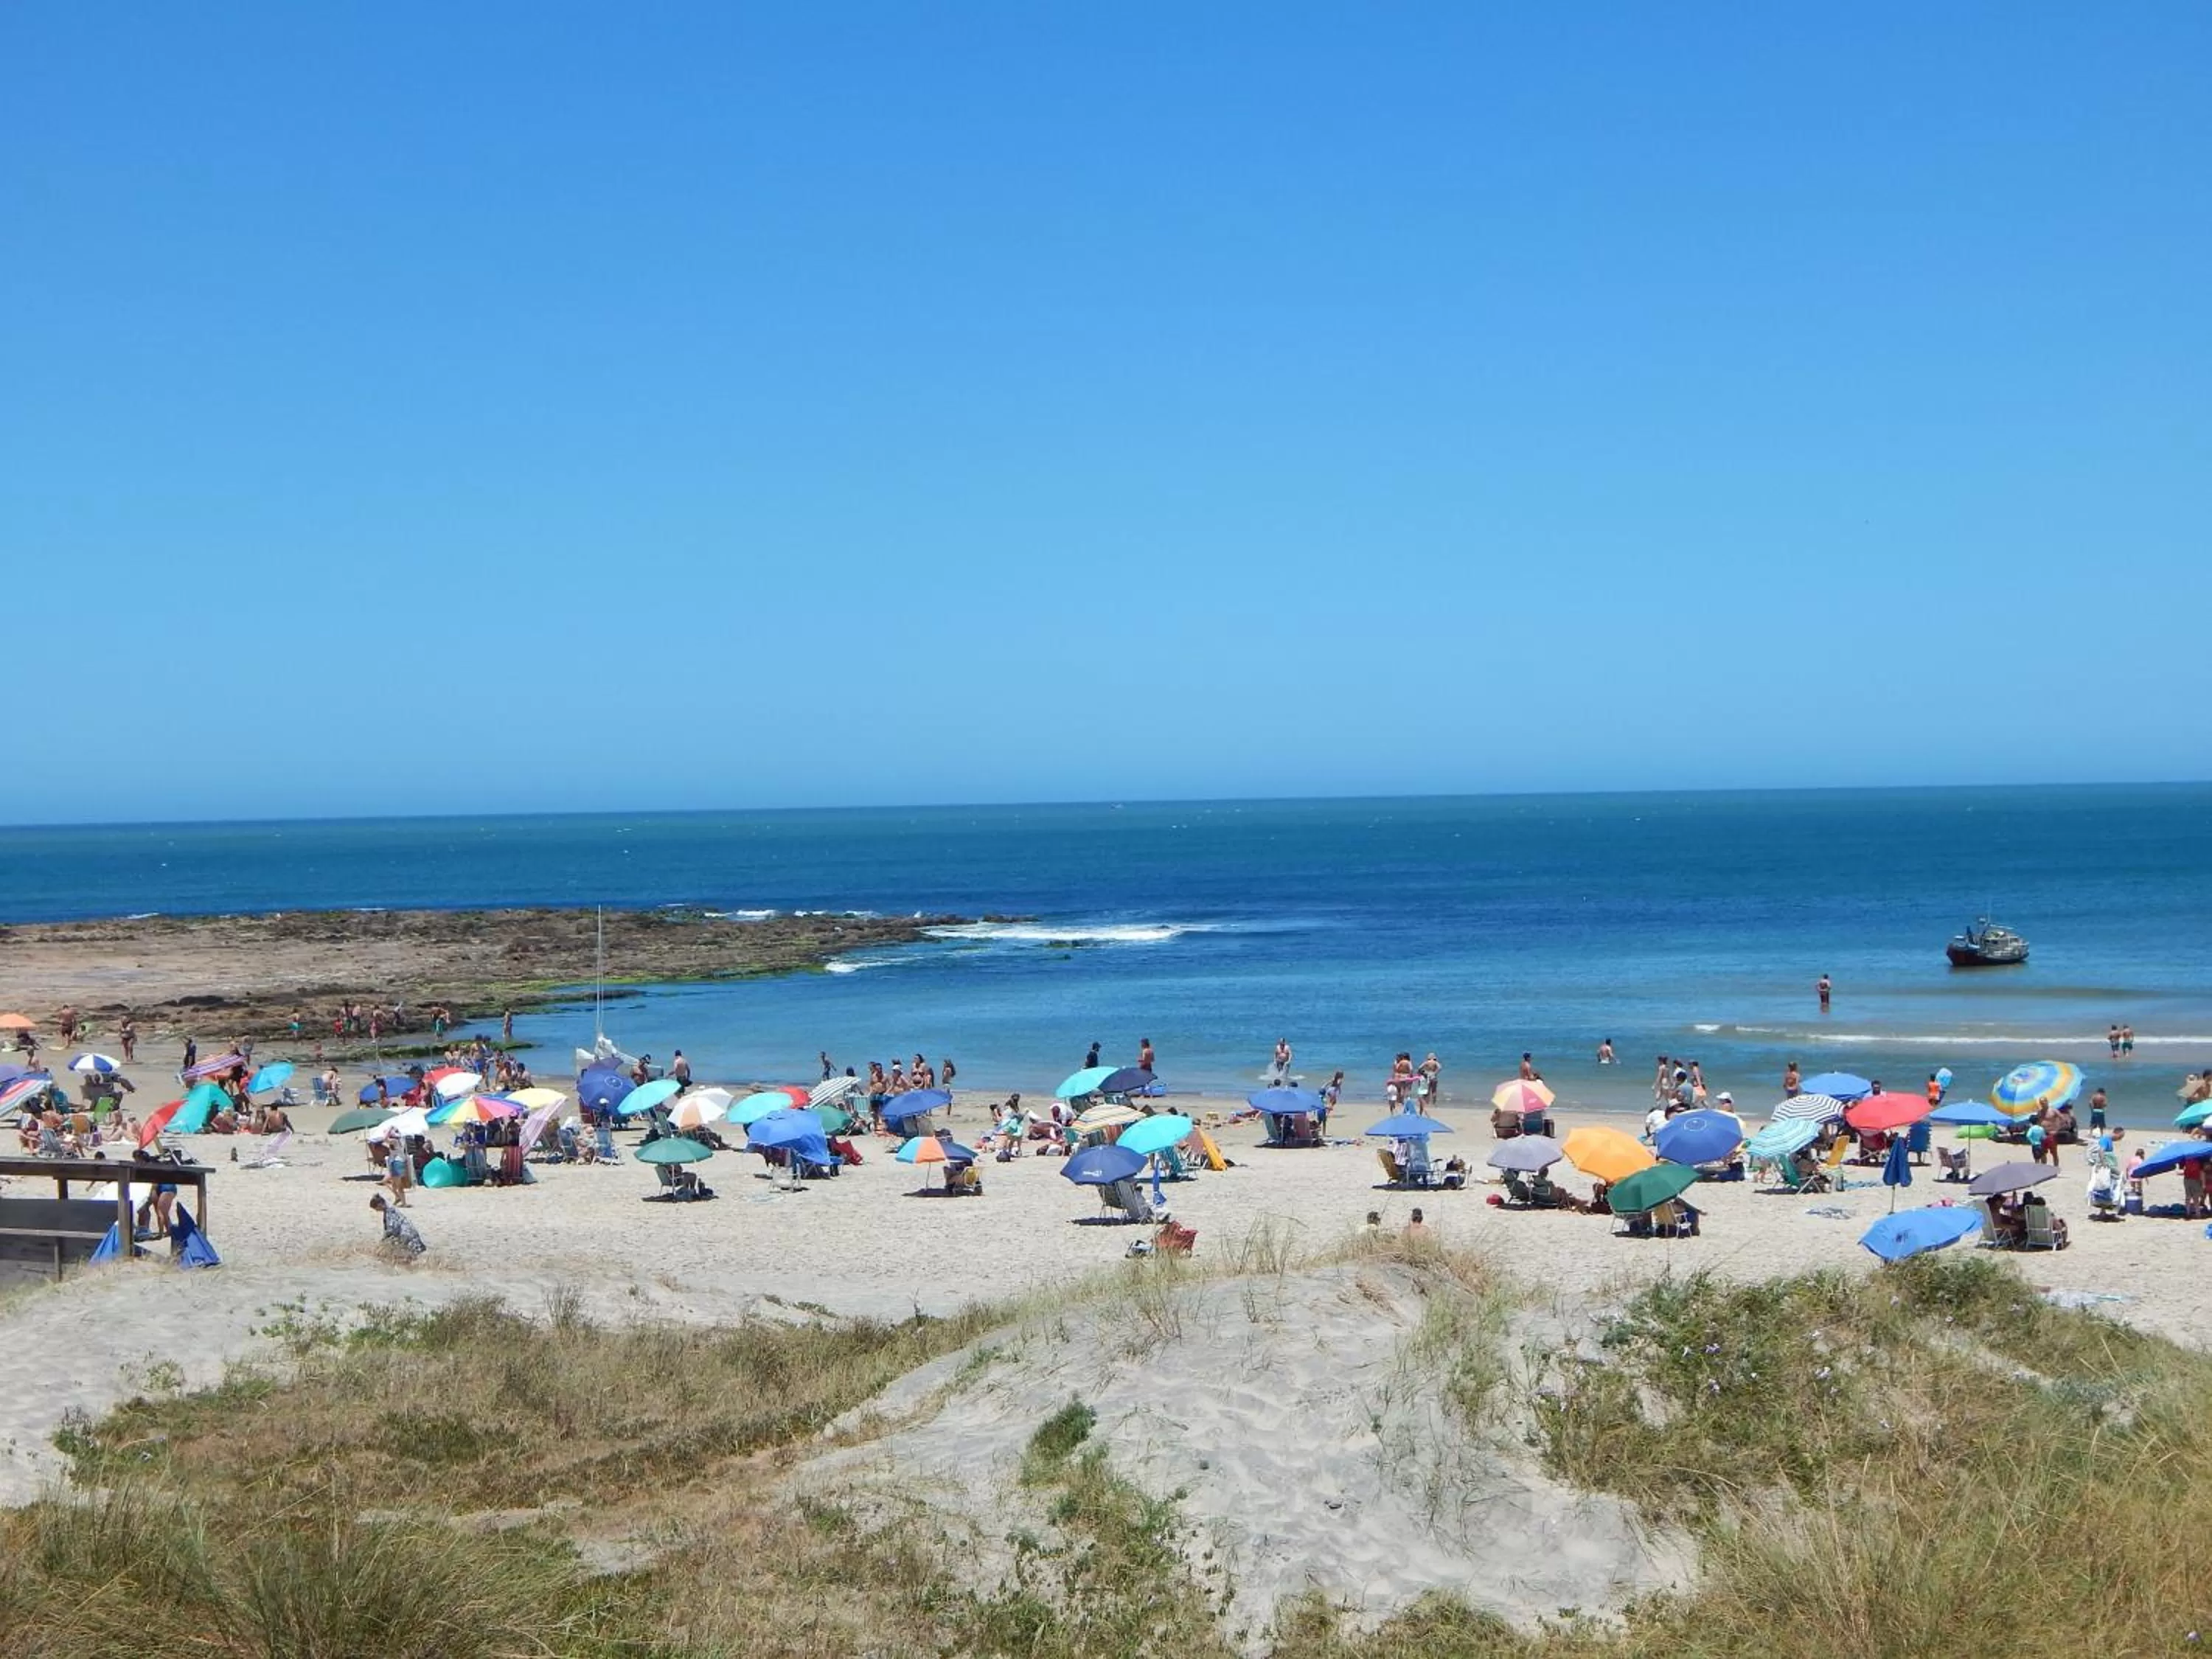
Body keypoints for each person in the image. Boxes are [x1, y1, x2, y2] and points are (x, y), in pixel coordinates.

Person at [370, 1194, 425, 1259]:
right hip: (409, 1233)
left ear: (379, 1205)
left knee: (407, 1257)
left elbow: (392, 1230)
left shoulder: (389, 1211)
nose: (377, 1211)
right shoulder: (389, 1208)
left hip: (407, 1235)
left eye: (376, 1209)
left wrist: (383, 1242)